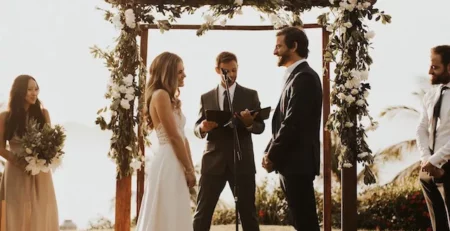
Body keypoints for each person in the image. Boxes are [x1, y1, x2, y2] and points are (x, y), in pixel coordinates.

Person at [193, 51, 264, 231]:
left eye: (234, 70)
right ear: (217, 70)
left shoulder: (250, 95)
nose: (231, 75)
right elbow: (196, 127)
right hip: (212, 162)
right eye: (227, 71)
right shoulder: (206, 97)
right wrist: (203, 128)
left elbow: (260, 126)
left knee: (248, 213)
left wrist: (249, 124)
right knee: (202, 212)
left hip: (242, 161)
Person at [262, 26, 322, 231]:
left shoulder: (304, 78)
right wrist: (269, 150)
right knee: (300, 220)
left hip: (298, 162)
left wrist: (272, 154)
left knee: (305, 221)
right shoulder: (295, 77)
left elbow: (293, 123)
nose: (274, 51)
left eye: (279, 46)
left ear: (294, 46)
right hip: (291, 162)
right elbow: (283, 121)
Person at [135, 52, 196, 231]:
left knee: (176, 211)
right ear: (167, 73)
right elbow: (174, 137)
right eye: (179, 72)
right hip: (168, 161)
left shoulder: (170, 98)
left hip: (177, 159)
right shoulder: (160, 95)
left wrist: (189, 166)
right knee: (166, 213)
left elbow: (183, 138)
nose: (184, 75)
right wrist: (189, 169)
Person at [0, 75, 59, 230]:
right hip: (15, 170)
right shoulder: (5, 117)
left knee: (40, 211)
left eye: (36, 89)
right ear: (20, 92)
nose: (34, 93)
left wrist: (44, 157)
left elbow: (50, 143)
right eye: (29, 89)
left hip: (40, 172)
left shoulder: (43, 114)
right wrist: (19, 161)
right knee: (16, 212)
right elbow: (0, 147)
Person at [417, 45, 450, 231]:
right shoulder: (430, 95)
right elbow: (421, 128)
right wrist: (426, 159)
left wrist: (437, 160)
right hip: (429, 170)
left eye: (435, 67)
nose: (430, 71)